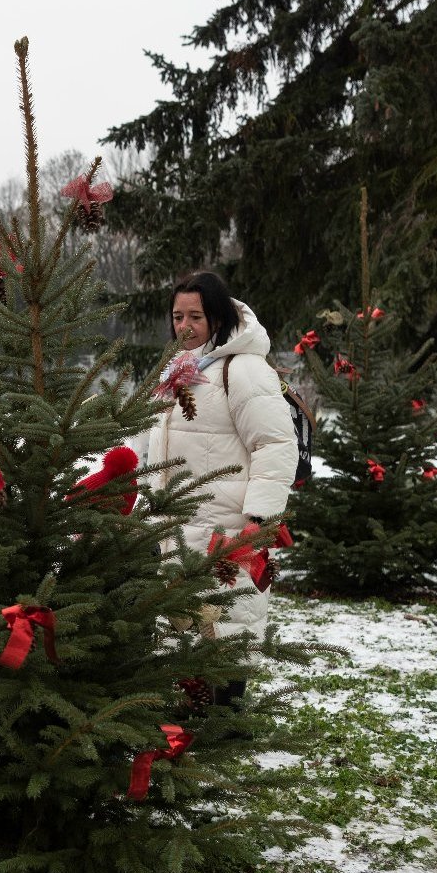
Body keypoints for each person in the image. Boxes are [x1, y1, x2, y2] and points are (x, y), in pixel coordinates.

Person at [140, 270, 297, 649]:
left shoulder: (243, 369)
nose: (185, 326)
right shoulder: (176, 370)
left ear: (218, 317)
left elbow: (276, 444)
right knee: (180, 634)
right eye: (178, 317)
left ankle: (226, 707)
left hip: (226, 532)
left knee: (229, 631)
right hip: (175, 527)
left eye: (196, 316)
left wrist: (259, 519)